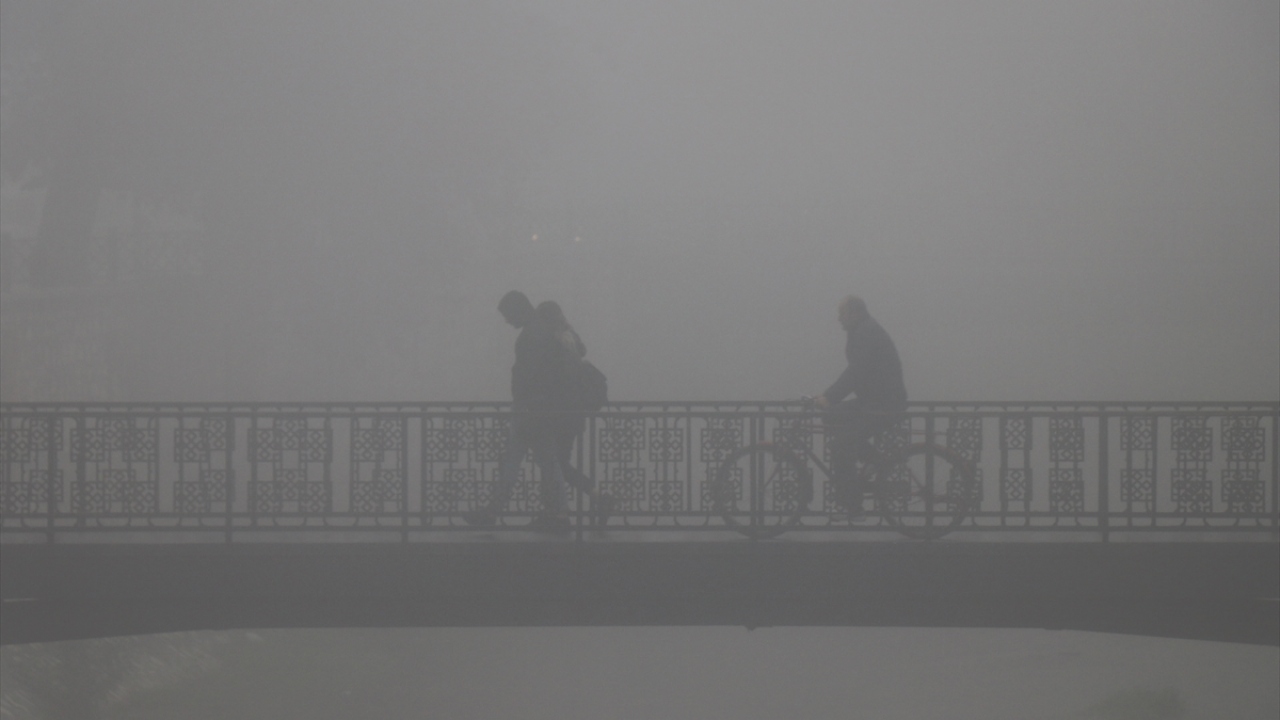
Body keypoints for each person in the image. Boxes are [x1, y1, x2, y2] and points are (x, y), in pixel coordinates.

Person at [465, 291, 573, 532]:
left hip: (530, 409)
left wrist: (524, 403)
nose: (506, 320)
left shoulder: (532, 335)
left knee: (513, 460)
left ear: (518, 309)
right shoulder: (542, 330)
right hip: (542, 409)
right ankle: (561, 514)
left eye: (507, 315)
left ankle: (493, 511)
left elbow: (529, 375)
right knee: (548, 461)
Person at [812, 295, 907, 514]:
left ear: (855, 313)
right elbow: (857, 371)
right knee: (832, 416)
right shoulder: (863, 330)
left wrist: (829, 397)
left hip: (883, 405)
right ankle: (877, 461)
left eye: (841, 314)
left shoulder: (866, 332)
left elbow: (857, 371)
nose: (839, 319)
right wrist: (829, 399)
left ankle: (852, 504)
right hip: (875, 400)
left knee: (841, 446)